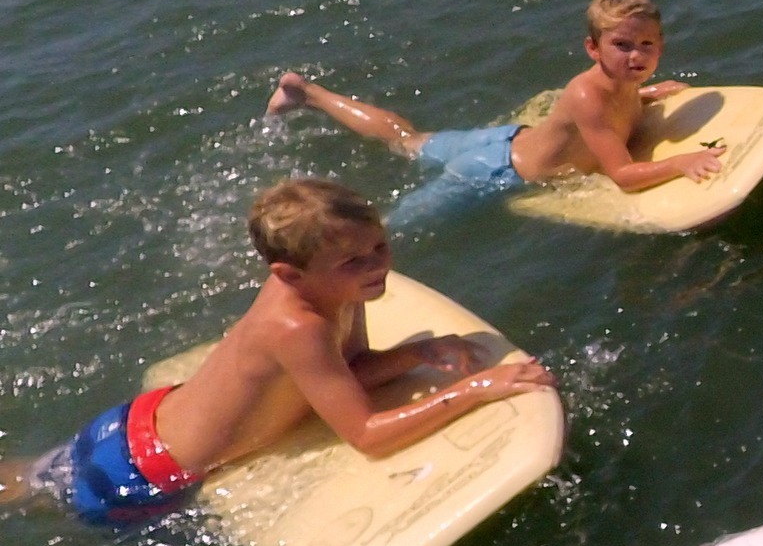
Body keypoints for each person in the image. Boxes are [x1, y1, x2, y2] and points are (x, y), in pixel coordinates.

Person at [0, 180, 554, 527]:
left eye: (379, 247)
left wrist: (420, 354)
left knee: (21, 480)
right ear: (289, 274)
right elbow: (366, 435)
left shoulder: (334, 288)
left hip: (144, 422)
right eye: (354, 262)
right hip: (142, 474)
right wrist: (475, 389)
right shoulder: (296, 326)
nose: (377, 266)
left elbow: (347, 374)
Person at [262, 0, 724, 229]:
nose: (635, 56)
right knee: (387, 230)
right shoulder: (589, 94)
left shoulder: (620, 86)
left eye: (646, 45)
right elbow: (622, 174)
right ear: (592, 48)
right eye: (621, 45)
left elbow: (601, 115)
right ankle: (306, 228)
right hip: (493, 173)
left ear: (661, 46)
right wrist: (681, 162)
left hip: (504, 140)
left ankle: (307, 93)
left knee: (405, 139)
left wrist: (643, 95)